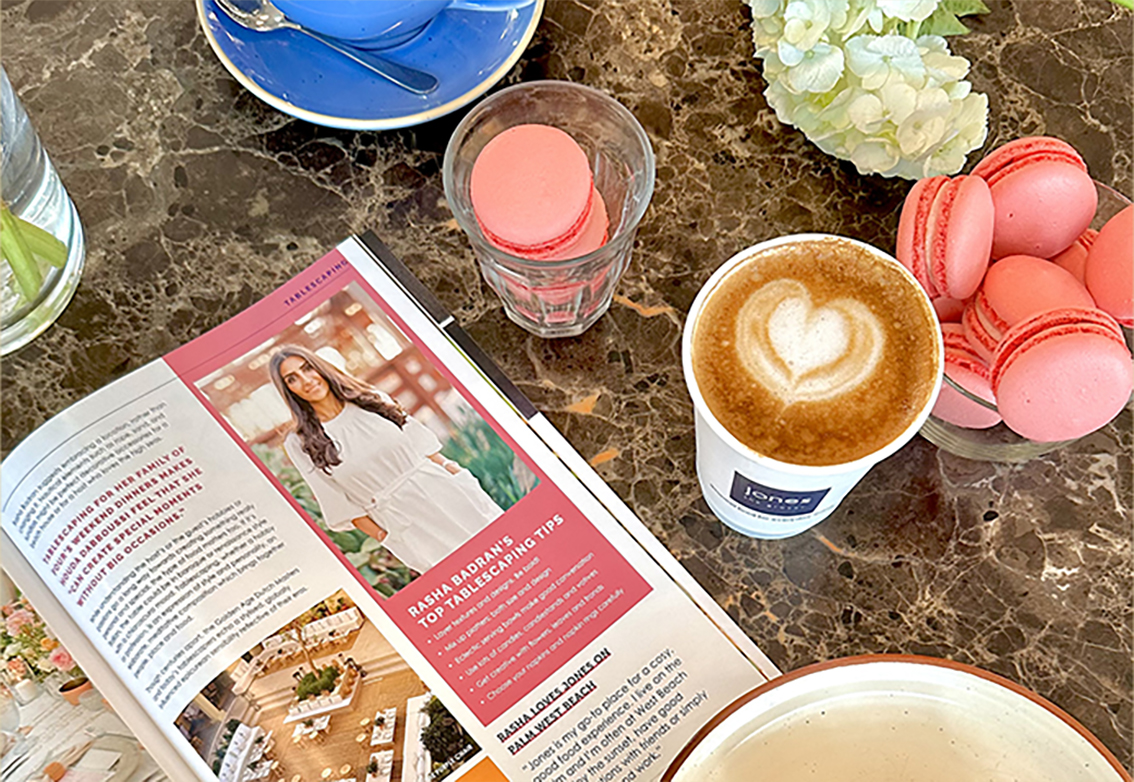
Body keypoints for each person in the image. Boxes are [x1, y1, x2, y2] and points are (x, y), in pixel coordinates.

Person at [269, 345, 503, 573]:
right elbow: (338, 503)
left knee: (505, 553)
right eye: (292, 379)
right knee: (464, 582)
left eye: (307, 368)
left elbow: (425, 446)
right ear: (288, 391)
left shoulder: (370, 399)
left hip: (447, 492)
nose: (306, 380)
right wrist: (388, 537)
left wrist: (457, 474)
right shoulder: (300, 443)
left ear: (321, 368)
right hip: (406, 524)